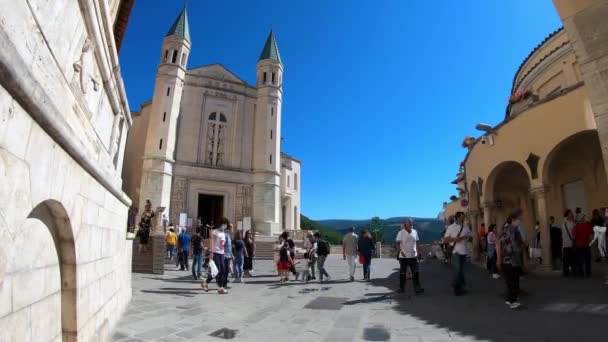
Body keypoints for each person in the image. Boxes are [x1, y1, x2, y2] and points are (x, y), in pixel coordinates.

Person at [496, 215, 524, 309]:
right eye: (518, 220)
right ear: (513, 220)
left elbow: (499, 244)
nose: (519, 221)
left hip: (508, 259)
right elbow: (501, 244)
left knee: (510, 281)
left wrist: (499, 259)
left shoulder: (506, 230)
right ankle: (512, 301)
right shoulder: (511, 230)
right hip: (510, 259)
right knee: (513, 281)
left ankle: (509, 299)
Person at [444, 211, 472, 296]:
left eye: (464, 216)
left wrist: (469, 237)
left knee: (461, 270)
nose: (464, 218)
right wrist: (456, 239)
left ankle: (458, 284)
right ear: (458, 217)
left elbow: (470, 236)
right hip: (456, 252)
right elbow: (446, 240)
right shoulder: (451, 227)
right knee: (458, 270)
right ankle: (457, 289)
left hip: (464, 252)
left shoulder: (466, 227)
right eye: (462, 216)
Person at [396, 219, 424, 294]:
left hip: (413, 255)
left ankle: (417, 288)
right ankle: (401, 288)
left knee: (416, 272)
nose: (411, 224)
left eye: (412, 223)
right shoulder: (400, 232)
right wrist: (401, 251)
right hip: (403, 256)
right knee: (402, 273)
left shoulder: (415, 231)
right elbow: (398, 244)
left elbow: (417, 243)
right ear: (405, 224)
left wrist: (419, 253)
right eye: (409, 223)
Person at [203, 218, 228, 294]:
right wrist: (211, 252)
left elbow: (223, 244)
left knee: (222, 270)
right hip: (216, 253)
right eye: (224, 224)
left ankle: (206, 283)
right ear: (220, 224)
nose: (225, 225)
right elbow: (212, 242)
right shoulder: (215, 232)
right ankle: (220, 287)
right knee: (218, 270)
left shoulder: (223, 233)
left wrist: (225, 252)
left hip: (222, 253)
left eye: (225, 224)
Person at [562, 209, 576, 277]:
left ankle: (572, 271)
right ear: (567, 214)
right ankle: (567, 272)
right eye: (570, 213)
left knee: (572, 259)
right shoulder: (565, 223)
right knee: (567, 259)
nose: (572, 214)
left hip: (571, 243)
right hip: (566, 244)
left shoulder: (573, 223)